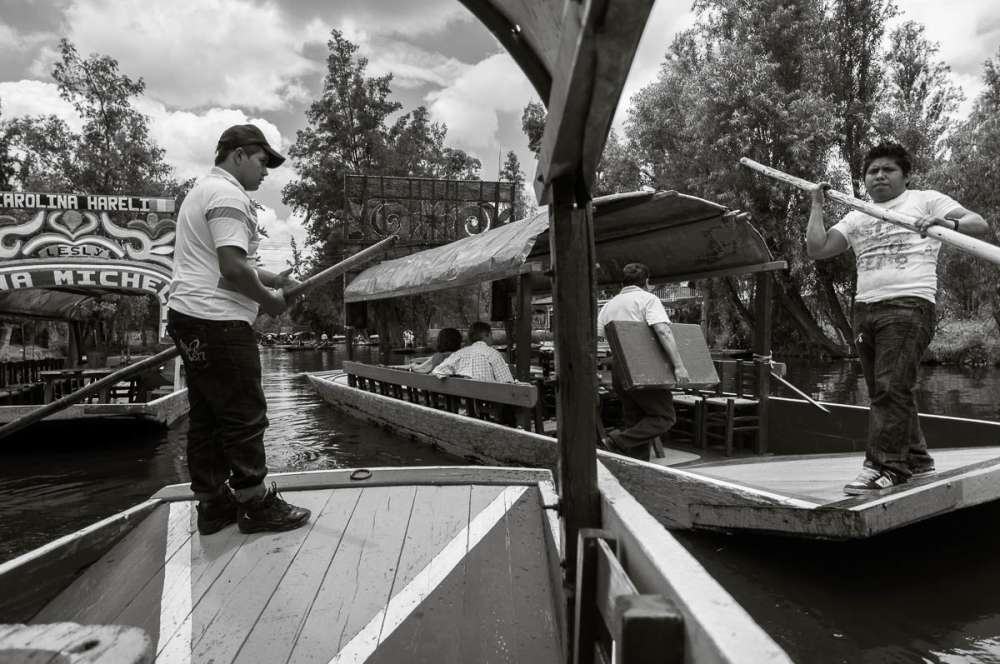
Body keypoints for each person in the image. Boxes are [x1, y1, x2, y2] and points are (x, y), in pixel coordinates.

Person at [807, 142, 987, 495]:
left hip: (909, 305)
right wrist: (816, 205)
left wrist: (945, 221)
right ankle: (918, 461)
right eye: (873, 171)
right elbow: (818, 248)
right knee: (885, 390)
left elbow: (978, 224)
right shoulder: (858, 213)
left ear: (905, 175)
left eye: (888, 169)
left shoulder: (924, 200)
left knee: (890, 388)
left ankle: (885, 466)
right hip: (865, 308)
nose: (879, 176)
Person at [167, 123, 311, 535]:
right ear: (239, 155)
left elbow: (226, 263)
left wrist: (275, 281)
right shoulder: (230, 195)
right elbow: (232, 269)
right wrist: (271, 302)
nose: (266, 173)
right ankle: (254, 503)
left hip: (189, 316)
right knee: (245, 414)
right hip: (218, 320)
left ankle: (213, 504)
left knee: (209, 416)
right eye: (263, 161)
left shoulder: (202, 192)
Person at [597, 262, 690, 460]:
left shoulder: (608, 305)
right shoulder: (648, 299)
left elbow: (600, 339)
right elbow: (663, 331)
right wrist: (679, 366)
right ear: (647, 282)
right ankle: (616, 442)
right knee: (664, 417)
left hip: (619, 370)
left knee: (636, 422)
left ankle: (639, 470)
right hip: (644, 368)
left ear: (624, 282)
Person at [432, 322, 514, 382]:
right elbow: (507, 382)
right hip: (490, 401)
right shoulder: (492, 353)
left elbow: (438, 370)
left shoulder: (459, 353)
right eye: (491, 335)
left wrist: (457, 377)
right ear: (487, 335)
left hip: (467, 401)